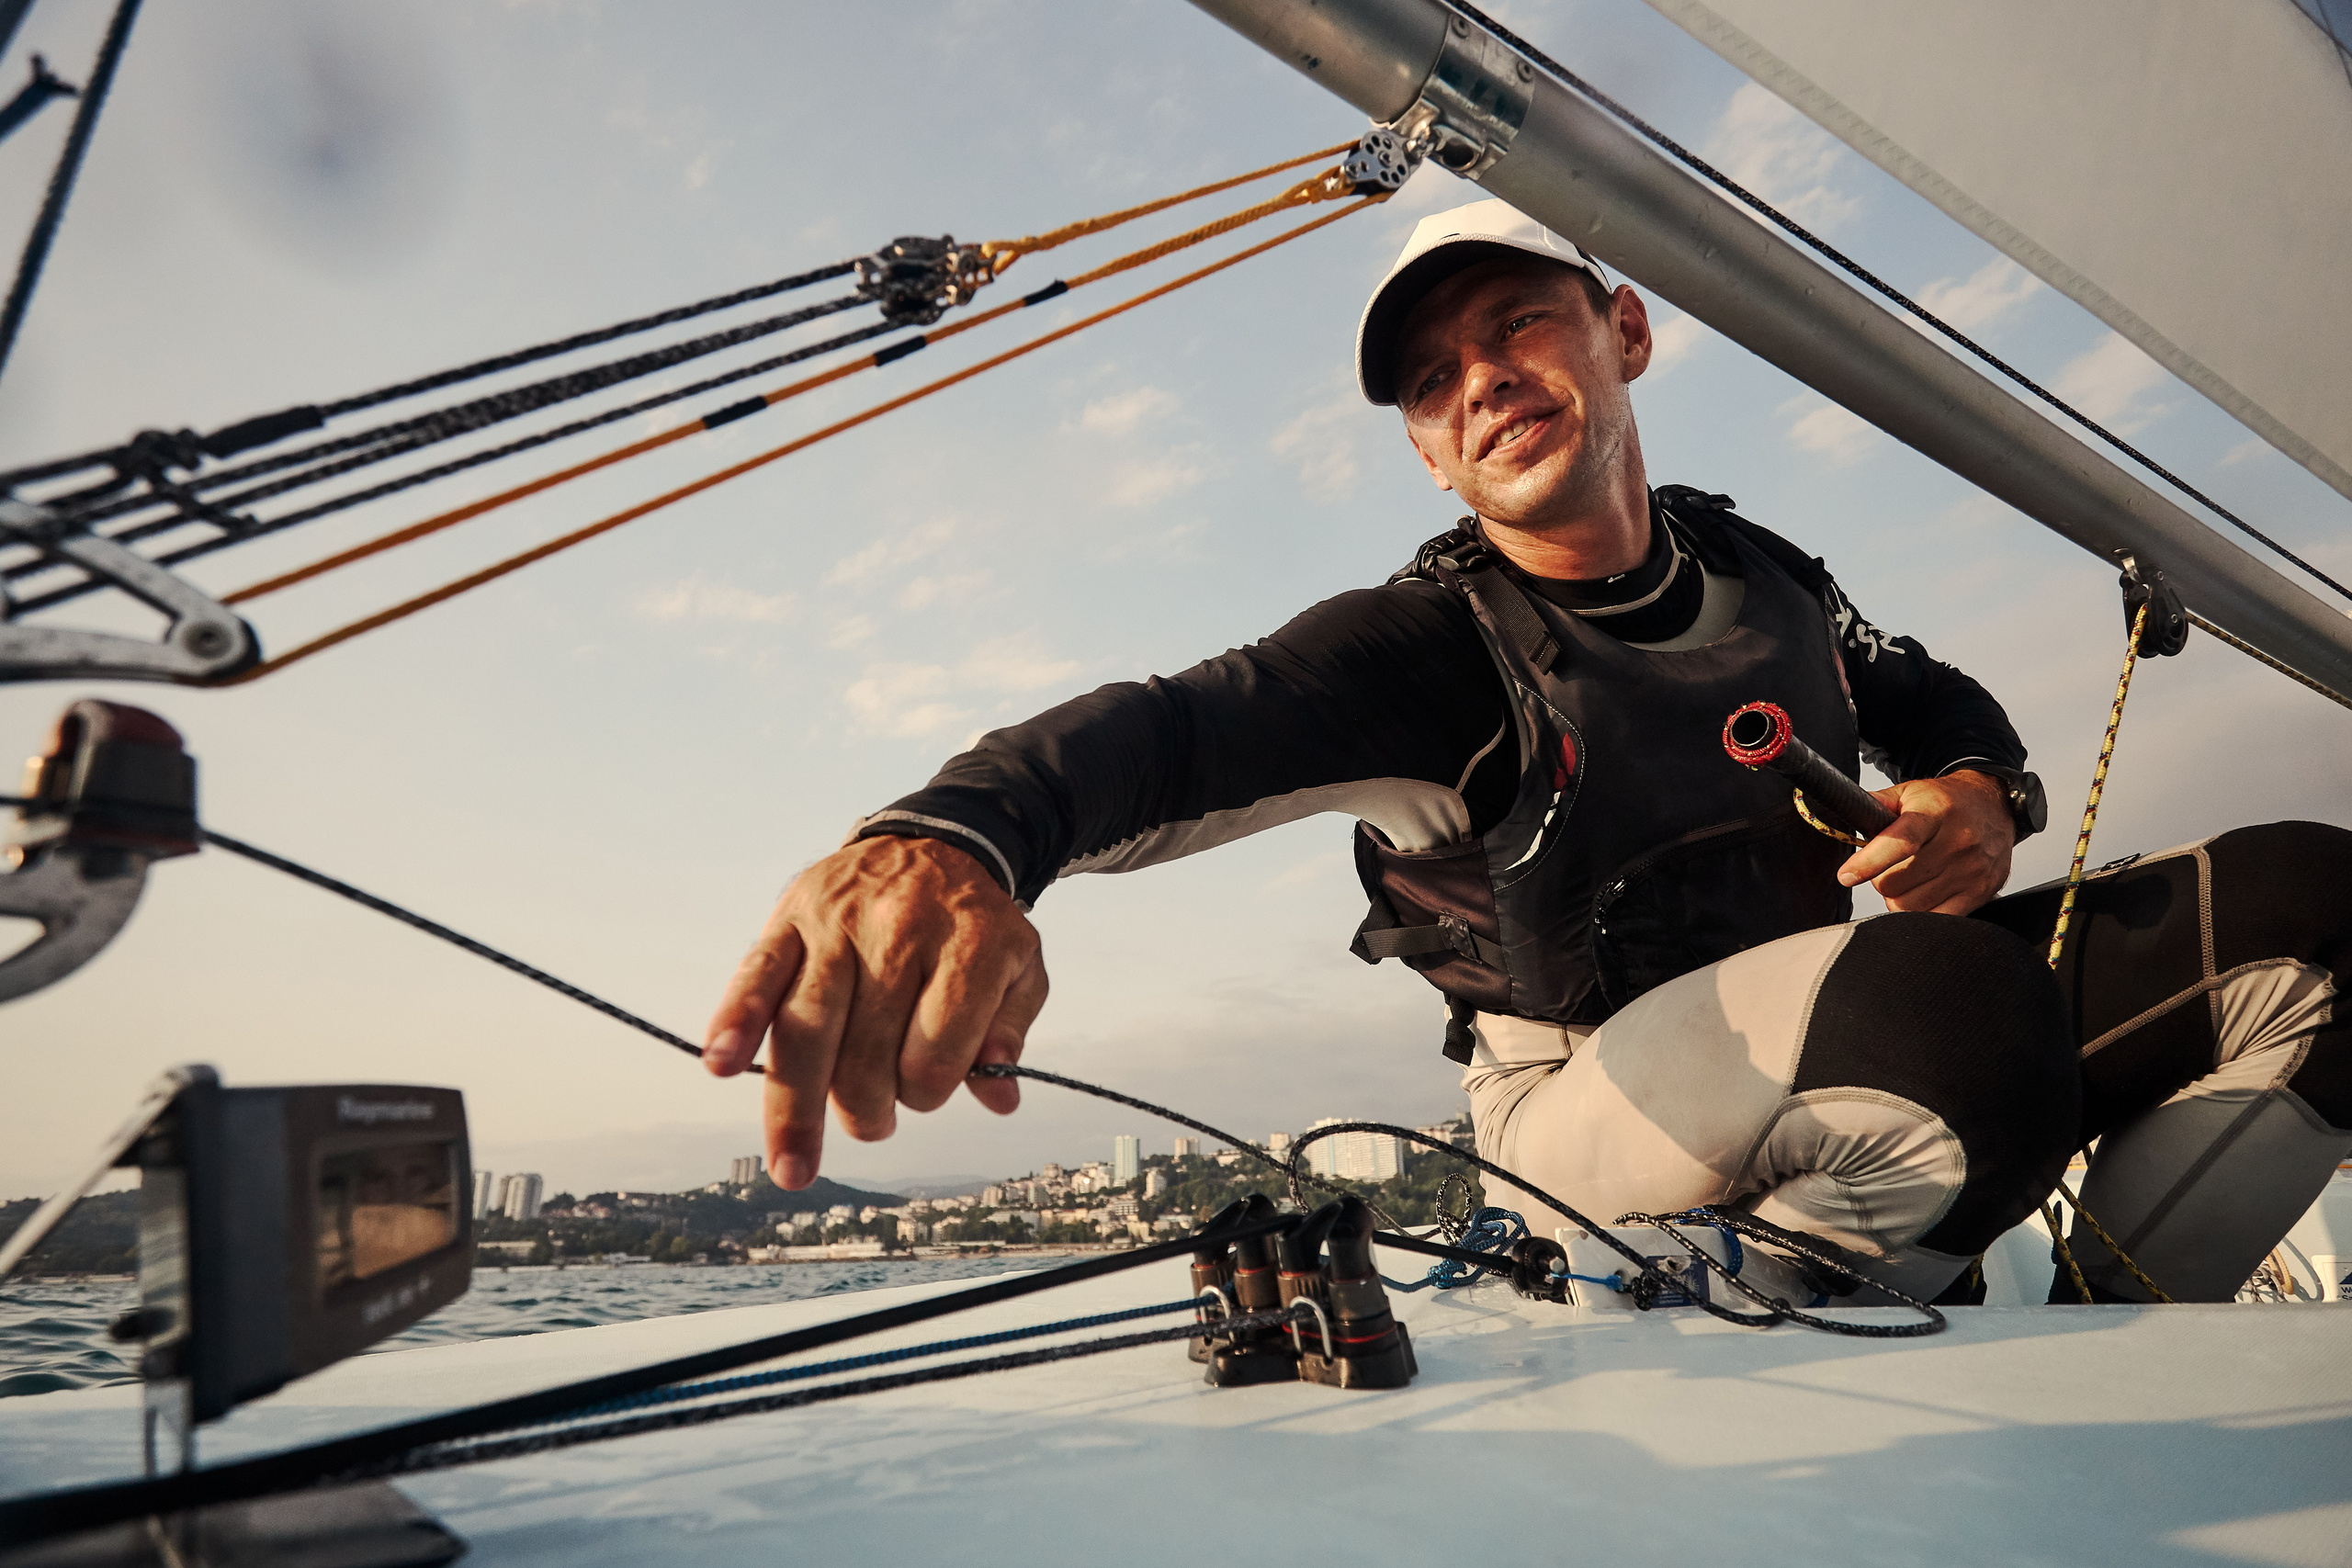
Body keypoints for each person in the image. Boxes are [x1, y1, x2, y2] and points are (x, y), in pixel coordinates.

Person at [706, 199, 2351, 1305]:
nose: (1481, 381)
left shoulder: (1758, 567)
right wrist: (950, 840)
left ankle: (2104, 1335)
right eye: (1433, 382)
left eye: (1517, 328)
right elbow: (1174, 730)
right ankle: (1764, 1318)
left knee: (2321, 907)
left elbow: (1927, 696)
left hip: (1860, 1041)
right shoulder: (1425, 650)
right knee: (1955, 1016)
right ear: (1428, 453)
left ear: (1624, 334)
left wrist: (1983, 794)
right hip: (1588, 1106)